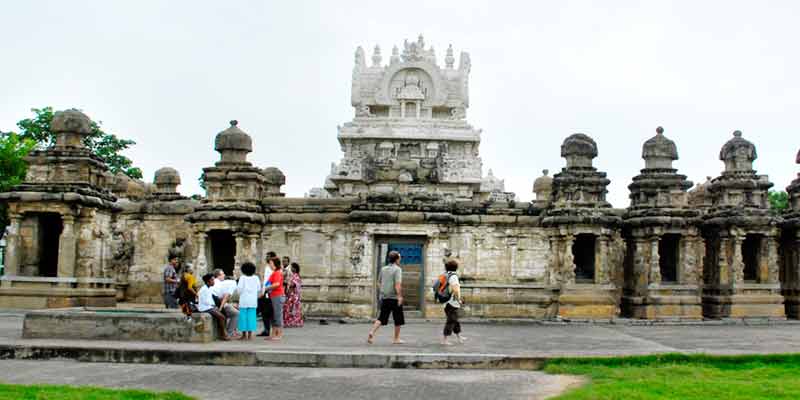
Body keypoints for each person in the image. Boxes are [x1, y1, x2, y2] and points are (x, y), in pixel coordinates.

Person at [367, 251, 404, 345]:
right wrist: (399, 296)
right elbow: (397, 284)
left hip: (385, 297)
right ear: (396, 259)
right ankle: (396, 339)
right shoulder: (397, 269)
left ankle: (372, 332)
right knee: (398, 319)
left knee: (381, 317)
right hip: (394, 298)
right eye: (399, 257)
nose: (400, 259)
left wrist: (383, 291)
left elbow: (378, 282)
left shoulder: (383, 269)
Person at [440, 259, 466, 346]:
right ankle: (445, 339)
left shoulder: (445, 275)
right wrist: (459, 300)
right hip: (452, 302)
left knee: (455, 320)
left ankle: (459, 336)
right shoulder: (453, 276)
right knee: (451, 320)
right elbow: (455, 289)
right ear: (456, 267)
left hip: (446, 302)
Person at [197, 273, 230, 340]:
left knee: (223, 314)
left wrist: (214, 306)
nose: (213, 281)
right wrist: (213, 306)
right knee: (222, 317)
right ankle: (223, 334)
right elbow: (205, 302)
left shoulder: (209, 288)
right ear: (208, 282)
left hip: (209, 307)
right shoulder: (204, 289)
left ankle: (223, 333)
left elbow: (210, 300)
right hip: (205, 308)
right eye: (212, 280)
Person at [237, 262, 263, 340]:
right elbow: (259, 288)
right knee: (251, 317)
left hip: (244, 300)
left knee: (243, 317)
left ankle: (244, 335)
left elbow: (239, 289)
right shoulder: (256, 278)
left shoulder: (242, 278)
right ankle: (250, 335)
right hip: (252, 300)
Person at [211, 269, 240, 338]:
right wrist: (220, 308)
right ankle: (229, 333)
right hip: (215, 302)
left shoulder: (219, 282)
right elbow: (226, 297)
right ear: (218, 276)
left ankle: (229, 332)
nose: (224, 275)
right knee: (237, 314)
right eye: (223, 274)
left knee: (232, 308)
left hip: (214, 301)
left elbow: (222, 296)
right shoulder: (233, 284)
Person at [265, 256, 286, 340]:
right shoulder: (274, 273)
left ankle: (279, 334)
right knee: (273, 315)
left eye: (270, 263)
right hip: (273, 295)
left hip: (277, 295)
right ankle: (273, 334)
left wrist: (266, 288)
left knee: (277, 315)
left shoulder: (277, 272)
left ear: (274, 264)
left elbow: (276, 284)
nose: (269, 264)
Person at [283, 262, 303, 328]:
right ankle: (290, 322)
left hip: (293, 295)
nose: (291, 268)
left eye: (291, 267)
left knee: (291, 309)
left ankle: (292, 322)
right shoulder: (293, 275)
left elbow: (293, 285)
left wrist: (286, 282)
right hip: (291, 294)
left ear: (295, 268)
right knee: (289, 308)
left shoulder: (296, 276)